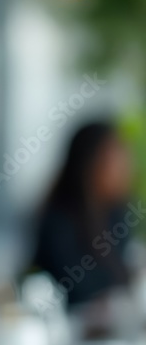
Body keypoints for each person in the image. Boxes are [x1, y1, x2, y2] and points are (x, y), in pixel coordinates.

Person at [32, 121, 134, 308]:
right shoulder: (59, 221)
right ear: (89, 165)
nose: (124, 169)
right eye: (114, 160)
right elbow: (76, 290)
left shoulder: (114, 215)